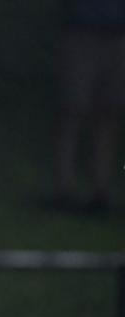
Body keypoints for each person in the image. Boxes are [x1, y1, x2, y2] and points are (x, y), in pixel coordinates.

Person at [50, 0, 125, 215]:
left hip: (118, 34)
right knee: (72, 111)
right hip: (81, 31)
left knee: (108, 115)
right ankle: (64, 190)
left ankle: (100, 192)